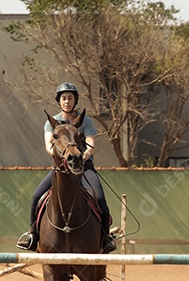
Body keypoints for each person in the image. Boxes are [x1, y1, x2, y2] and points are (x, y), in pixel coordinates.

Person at [17, 82, 116, 253]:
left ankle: (105, 238)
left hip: (84, 167)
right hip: (61, 169)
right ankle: (33, 236)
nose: (67, 101)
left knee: (99, 197)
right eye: (64, 98)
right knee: (36, 196)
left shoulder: (86, 121)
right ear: (59, 101)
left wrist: (86, 154)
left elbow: (91, 142)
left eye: (70, 98)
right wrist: (60, 156)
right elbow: (48, 145)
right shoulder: (51, 123)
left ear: (75, 100)